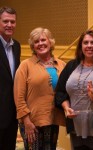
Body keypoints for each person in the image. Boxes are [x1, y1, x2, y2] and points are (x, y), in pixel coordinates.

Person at [14, 27, 66, 150]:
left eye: (43, 40)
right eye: (36, 41)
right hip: (32, 122)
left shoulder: (61, 64)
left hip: (53, 119)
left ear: (50, 42)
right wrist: (26, 121)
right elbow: (18, 96)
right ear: (33, 46)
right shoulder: (25, 65)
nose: (40, 44)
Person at [0, 6, 21, 150]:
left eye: (12, 22)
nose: (9, 25)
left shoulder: (16, 46)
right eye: (5, 21)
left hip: (11, 113)